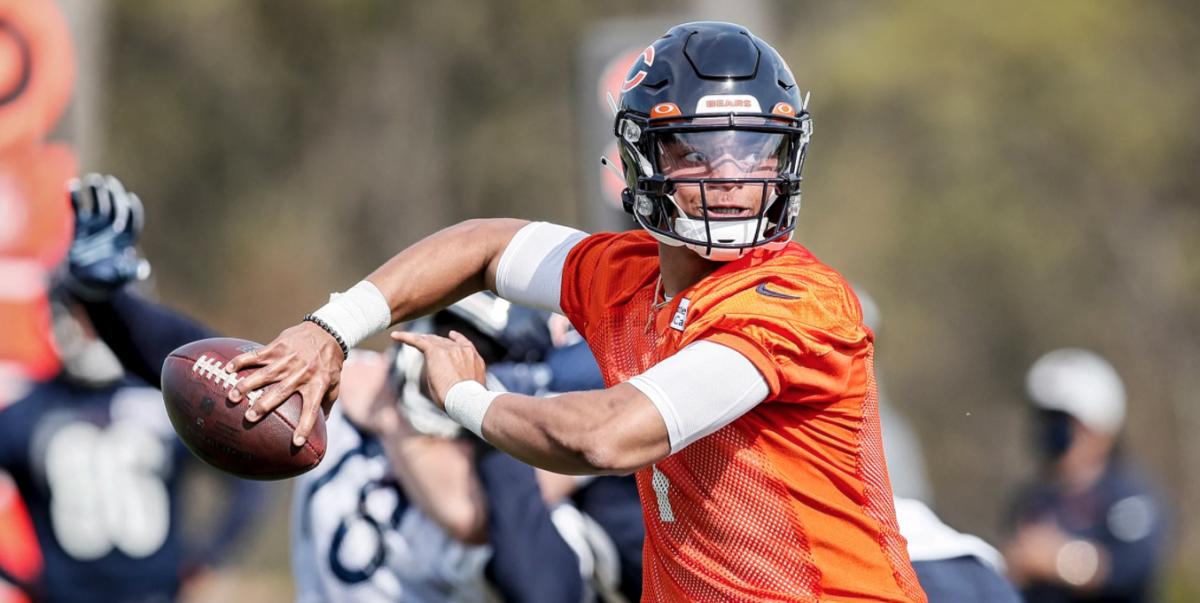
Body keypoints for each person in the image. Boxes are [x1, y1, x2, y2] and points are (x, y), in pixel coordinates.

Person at [229, 21, 925, 601]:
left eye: (754, 150)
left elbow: (611, 435)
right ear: (644, 159)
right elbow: (483, 243)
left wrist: (467, 398)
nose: (734, 180)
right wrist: (333, 326)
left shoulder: (797, 300)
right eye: (702, 154)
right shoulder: (623, 275)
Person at [70, 175, 644, 601]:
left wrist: (432, 426)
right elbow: (209, 371)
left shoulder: (545, 473)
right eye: (445, 333)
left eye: (483, 353)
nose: (450, 356)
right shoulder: (353, 396)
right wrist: (104, 301)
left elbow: (541, 585)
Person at [0, 175, 266, 603]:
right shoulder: (26, 411)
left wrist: (207, 558)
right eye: (81, 311)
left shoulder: (167, 398)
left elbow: (249, 478)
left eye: (100, 312)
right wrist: (26, 579)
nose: (88, 329)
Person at [1004, 349, 1169, 603]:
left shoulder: (1129, 498)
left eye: (1061, 422)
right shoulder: (1031, 502)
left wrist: (1059, 560)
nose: (1049, 433)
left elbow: (1131, 567)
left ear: (1096, 429)